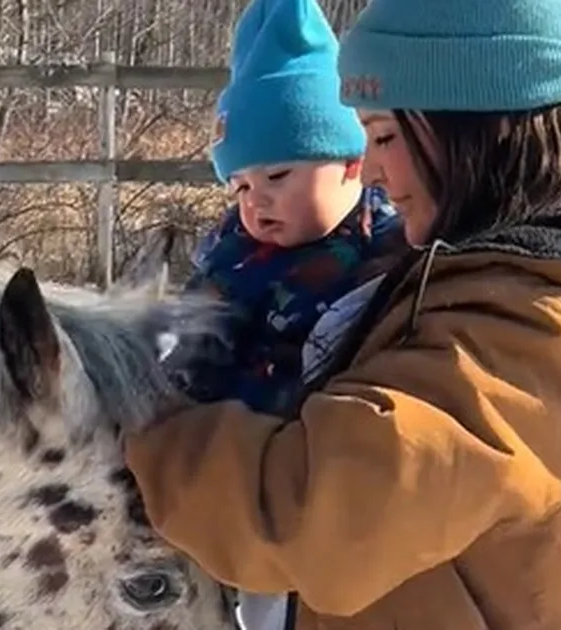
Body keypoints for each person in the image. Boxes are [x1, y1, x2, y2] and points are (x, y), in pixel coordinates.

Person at [125, 0, 561, 628]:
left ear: (477, 124)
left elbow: (317, 519)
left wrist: (134, 424)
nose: (378, 175)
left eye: (386, 136)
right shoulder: (470, 275)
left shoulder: (535, 337)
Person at [163, 0, 405, 419]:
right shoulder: (229, 255)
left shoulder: (388, 255)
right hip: (211, 447)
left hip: (311, 448)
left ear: (352, 163)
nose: (256, 200)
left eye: (277, 176)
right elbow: (187, 347)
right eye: (240, 187)